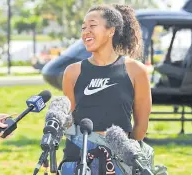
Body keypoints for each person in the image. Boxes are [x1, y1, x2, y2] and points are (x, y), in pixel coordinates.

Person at [61, 4, 151, 175]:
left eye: (92, 26)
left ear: (111, 31)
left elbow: (141, 125)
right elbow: (69, 122)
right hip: (78, 159)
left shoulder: (136, 71)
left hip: (118, 161)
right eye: (83, 27)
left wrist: (125, 156)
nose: (86, 31)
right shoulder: (72, 72)